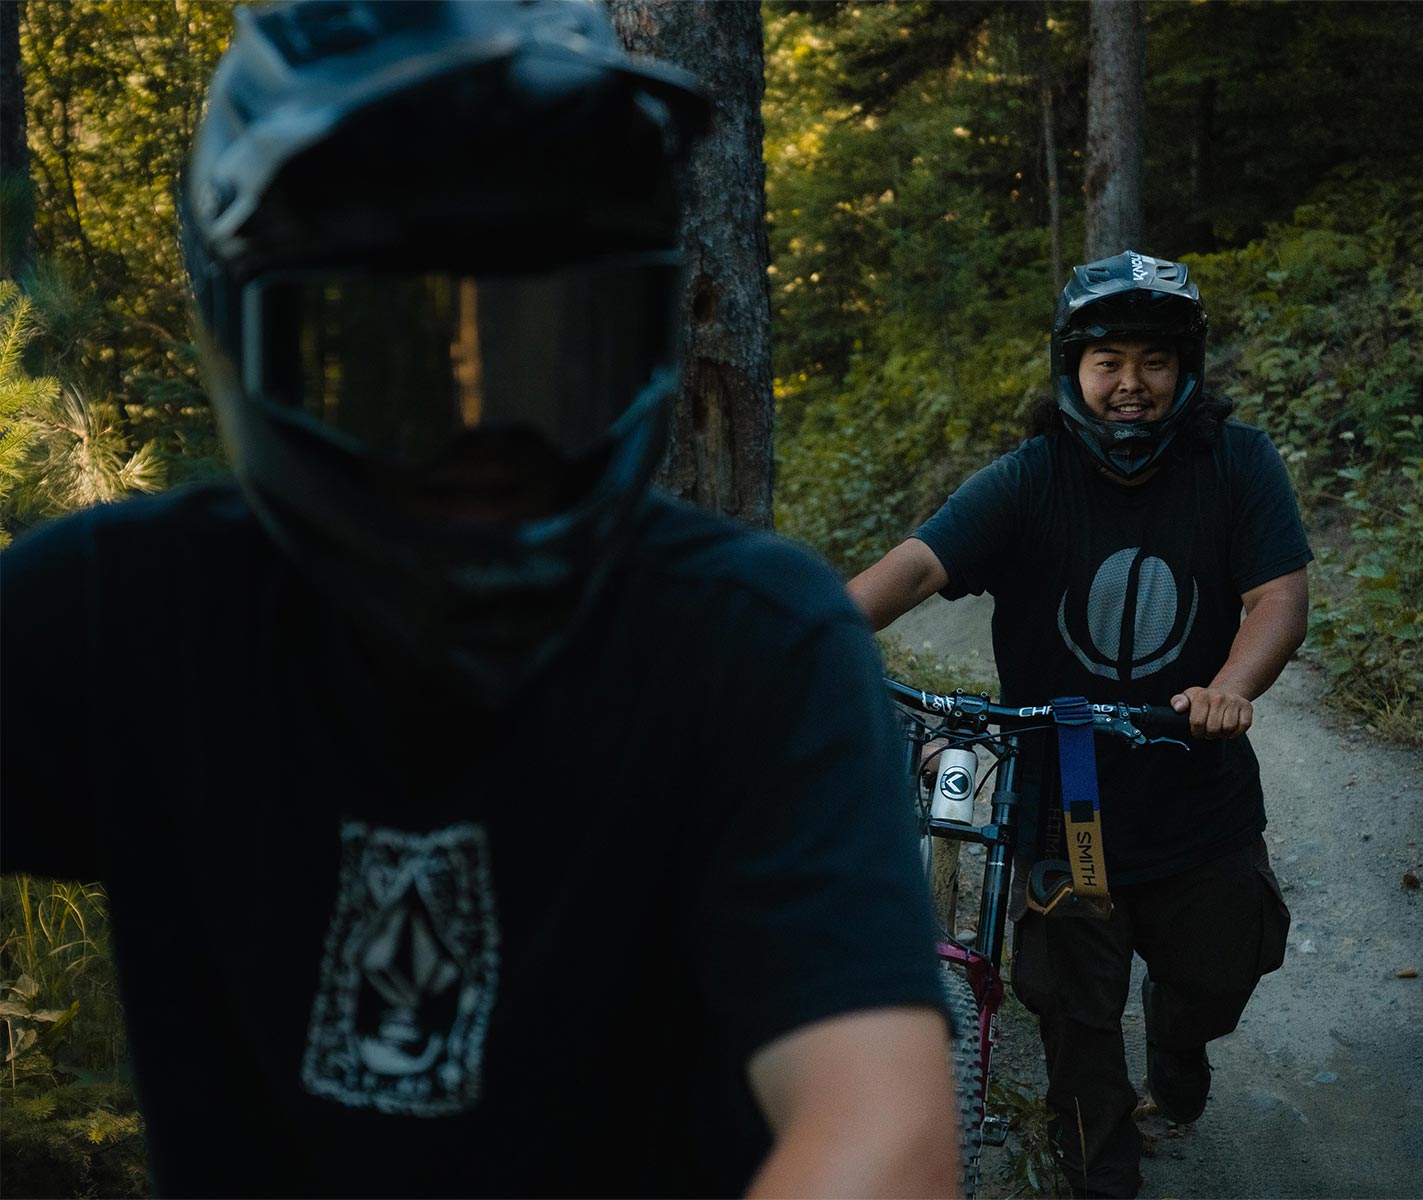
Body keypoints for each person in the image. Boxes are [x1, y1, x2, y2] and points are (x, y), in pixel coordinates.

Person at [0, 2, 959, 1196]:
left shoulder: (743, 647)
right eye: (380, 357)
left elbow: (879, 1139)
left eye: (546, 346)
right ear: (245, 341)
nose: (475, 429)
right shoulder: (133, 616)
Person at [848, 250, 1311, 1198]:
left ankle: (1181, 1040)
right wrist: (803, 634)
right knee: (1074, 1010)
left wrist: (1229, 687)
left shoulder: (1237, 464)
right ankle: (1103, 1167)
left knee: (1222, 970)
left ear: (1185, 367)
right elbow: (919, 566)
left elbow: (1277, 598)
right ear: (1074, 368)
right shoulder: (1031, 478)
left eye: (1153, 361)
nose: (1130, 385)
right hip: (1070, 807)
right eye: (1108, 362)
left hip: (1197, 790)